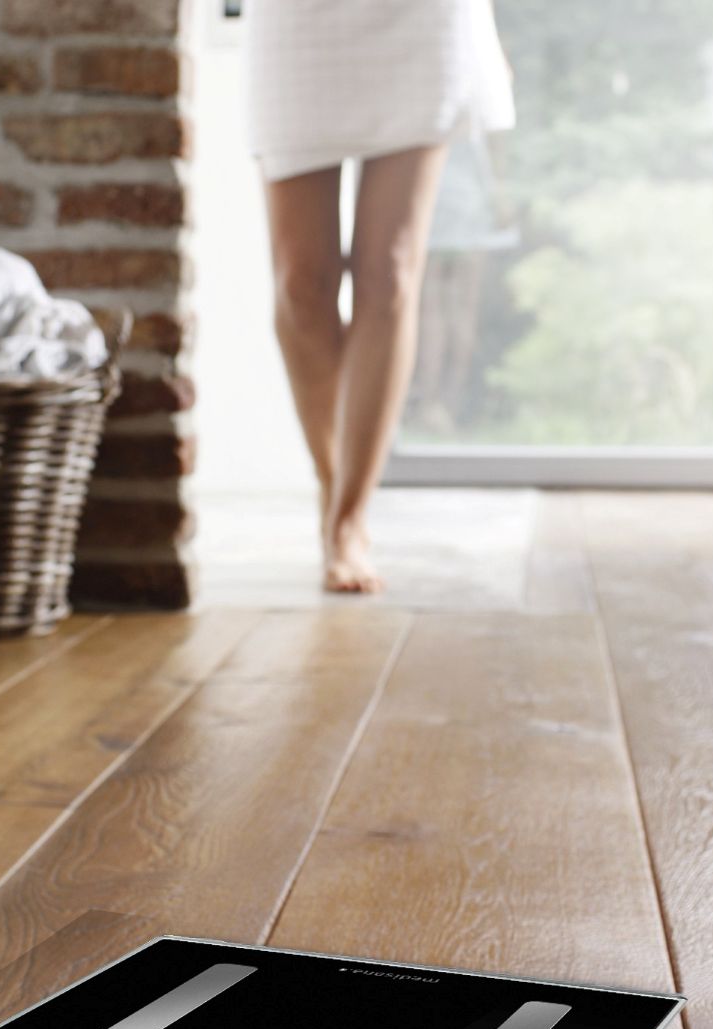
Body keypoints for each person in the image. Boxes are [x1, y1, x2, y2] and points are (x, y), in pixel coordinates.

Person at [244, 0, 514, 592]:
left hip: (420, 19)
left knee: (389, 274)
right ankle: (331, 477)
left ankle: (348, 518)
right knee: (300, 282)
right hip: (295, 19)